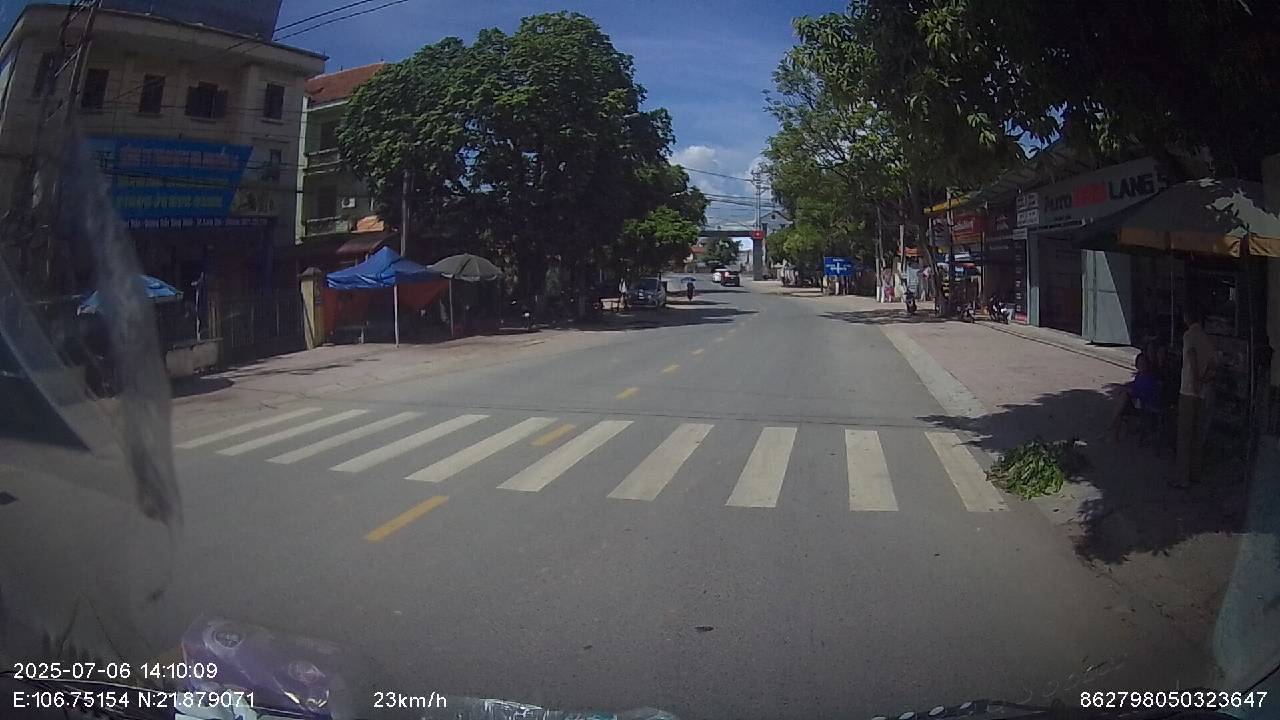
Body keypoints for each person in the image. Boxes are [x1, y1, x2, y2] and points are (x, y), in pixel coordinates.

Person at [1174, 305, 1215, 487]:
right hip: (1203, 392)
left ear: (1186, 317)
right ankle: (1195, 473)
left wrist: (1197, 378)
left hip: (1189, 390)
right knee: (1198, 435)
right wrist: (1204, 380)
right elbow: (1213, 365)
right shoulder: (1206, 338)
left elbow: (1191, 356)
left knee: (1184, 435)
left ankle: (1182, 478)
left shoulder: (1189, 335)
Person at [1105, 352, 1161, 441]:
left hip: (1144, 404)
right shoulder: (1139, 375)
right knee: (1121, 405)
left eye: (1143, 363)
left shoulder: (1149, 377)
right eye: (1139, 363)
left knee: (1122, 400)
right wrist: (1126, 388)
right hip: (1137, 402)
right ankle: (1114, 432)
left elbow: (1144, 394)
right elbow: (1134, 385)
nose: (1141, 365)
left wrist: (1130, 391)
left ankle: (1112, 423)